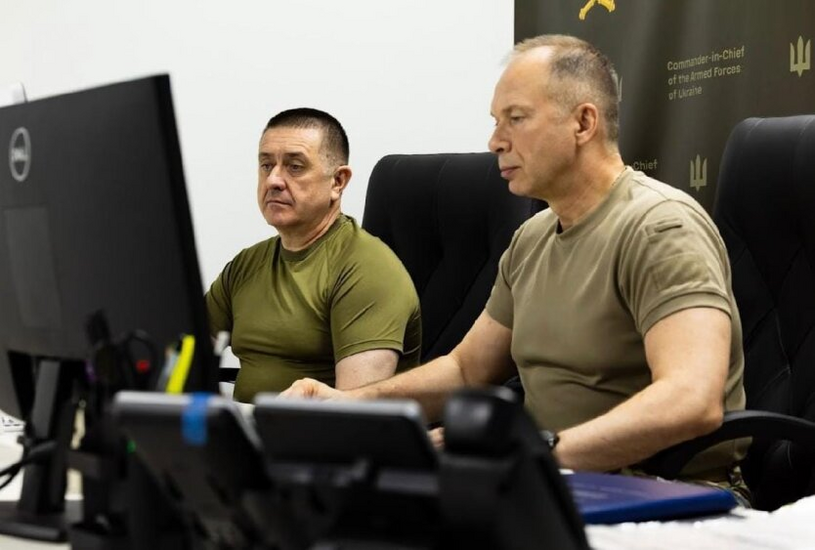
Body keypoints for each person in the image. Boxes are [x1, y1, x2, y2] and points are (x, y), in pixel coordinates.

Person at [281, 36, 748, 498]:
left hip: (665, 492)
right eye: (495, 122)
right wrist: (348, 408)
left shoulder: (660, 228)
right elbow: (466, 370)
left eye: (516, 119)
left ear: (583, 123)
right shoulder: (533, 237)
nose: (494, 141)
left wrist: (530, 453)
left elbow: (693, 399)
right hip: (556, 482)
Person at [206, 108, 421, 402]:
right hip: (242, 436)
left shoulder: (368, 270)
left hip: (318, 443)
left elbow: (353, 415)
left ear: (338, 181)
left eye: (295, 167)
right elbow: (180, 356)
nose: (274, 181)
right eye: (266, 166)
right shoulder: (245, 265)